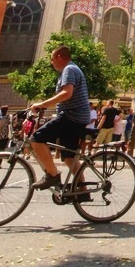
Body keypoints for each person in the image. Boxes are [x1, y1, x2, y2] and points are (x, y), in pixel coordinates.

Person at [29, 46, 91, 190]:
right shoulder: (72, 69)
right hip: (77, 117)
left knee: (37, 138)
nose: (51, 63)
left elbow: (66, 93)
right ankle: (83, 191)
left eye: (52, 59)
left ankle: (52, 175)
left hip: (72, 116)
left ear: (58, 57)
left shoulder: (69, 69)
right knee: (69, 156)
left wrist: (42, 104)